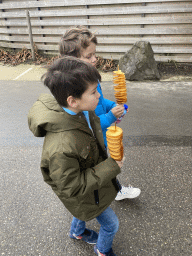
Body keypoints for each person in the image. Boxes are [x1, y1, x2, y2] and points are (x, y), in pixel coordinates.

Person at [28, 57, 124, 256]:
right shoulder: (61, 148)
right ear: (72, 100)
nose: (98, 95)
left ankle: (76, 232)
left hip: (88, 184)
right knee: (111, 225)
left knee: (80, 210)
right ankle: (103, 250)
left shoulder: (82, 110)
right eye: (93, 92)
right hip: (83, 190)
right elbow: (74, 187)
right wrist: (112, 166)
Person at [59, 26, 141, 200]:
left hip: (102, 138)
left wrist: (113, 106)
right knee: (100, 171)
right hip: (91, 143)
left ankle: (114, 191)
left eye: (94, 54)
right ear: (72, 61)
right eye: (88, 56)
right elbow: (89, 125)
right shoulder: (75, 92)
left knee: (106, 166)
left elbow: (100, 100)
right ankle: (82, 219)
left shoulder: (92, 77)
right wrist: (111, 116)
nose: (95, 59)